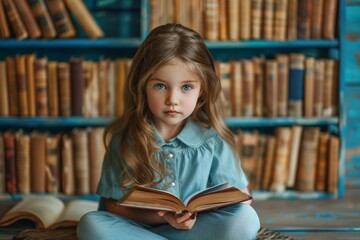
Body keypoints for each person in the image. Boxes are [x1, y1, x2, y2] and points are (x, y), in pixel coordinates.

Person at [77, 23, 260, 240]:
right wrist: (165, 218)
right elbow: (113, 207)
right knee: (90, 225)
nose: (173, 99)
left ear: (202, 90)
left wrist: (196, 214)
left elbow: (243, 198)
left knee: (246, 218)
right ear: (141, 86)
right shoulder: (124, 140)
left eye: (186, 87)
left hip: (195, 231)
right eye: (160, 86)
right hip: (138, 231)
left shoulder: (213, 141)